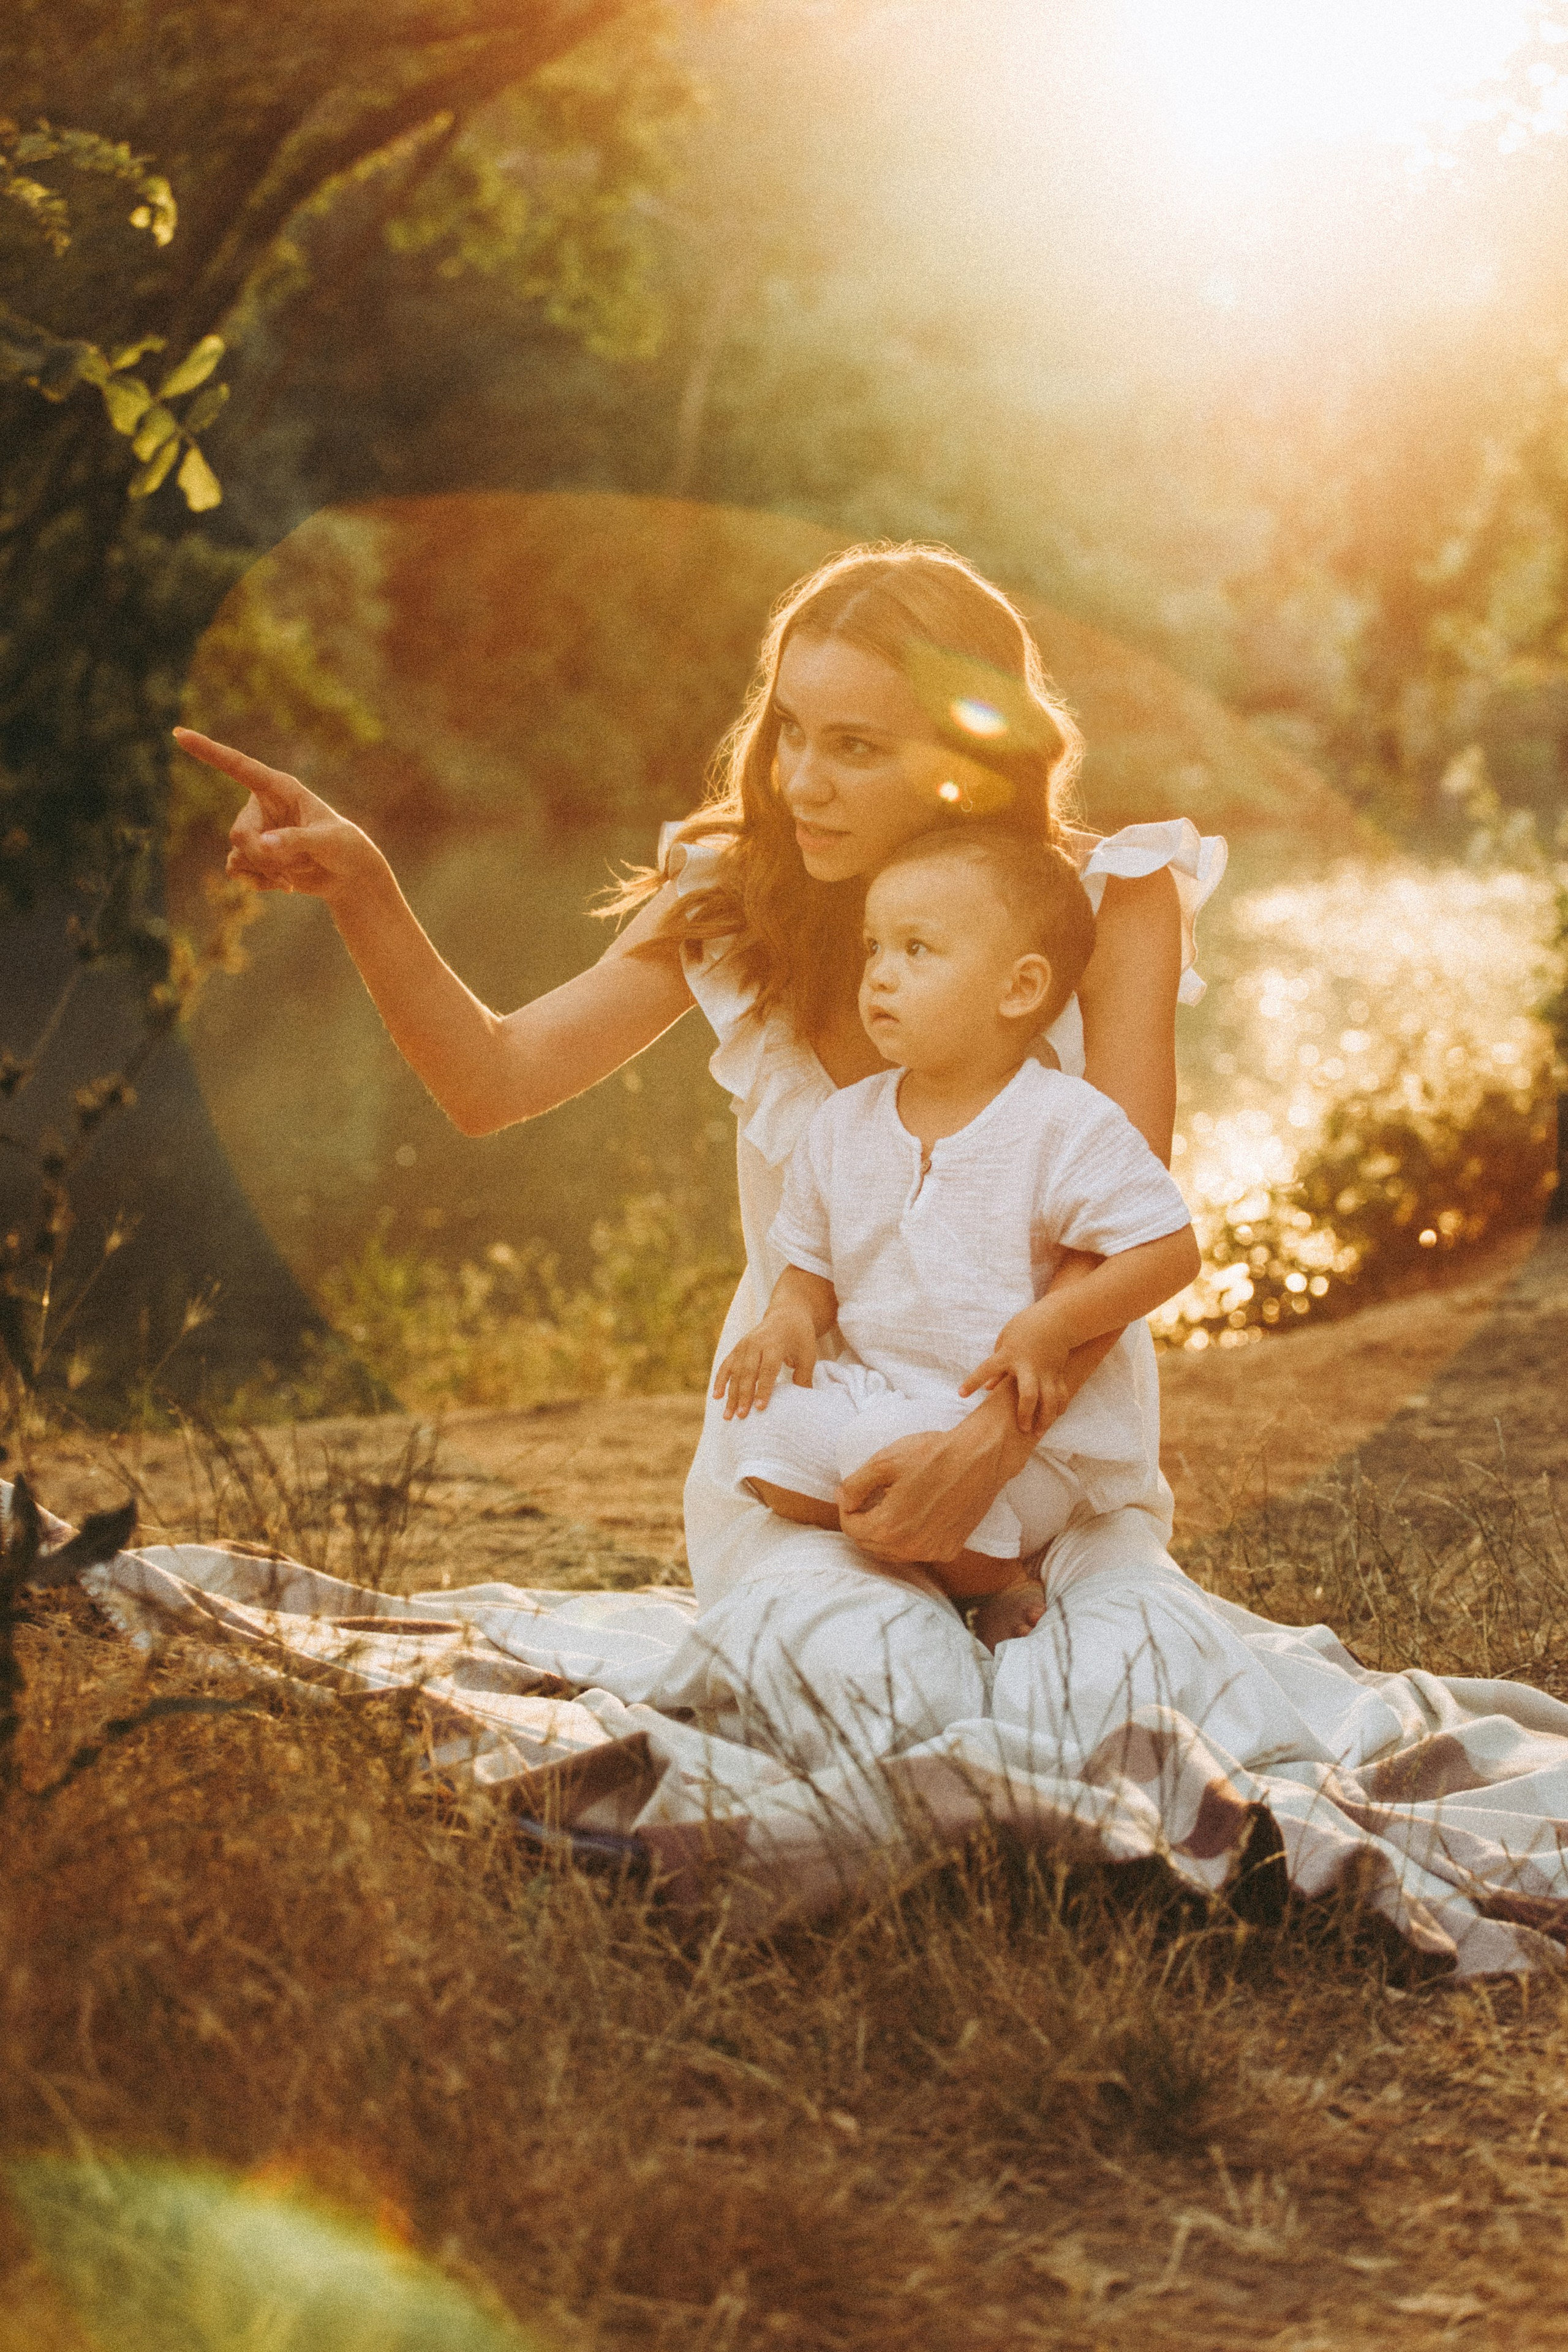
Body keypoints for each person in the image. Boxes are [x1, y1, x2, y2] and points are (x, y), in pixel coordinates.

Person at [173, 538, 1226, 1760]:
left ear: (969, 759)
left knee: (1120, 1714)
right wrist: (363, 886)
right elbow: (492, 1078)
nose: (801, 783)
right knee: (883, 1701)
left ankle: (1016, 1596)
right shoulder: (732, 898)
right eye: (790, 730)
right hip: (810, 1455)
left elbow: (1124, 1240)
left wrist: (984, 1449)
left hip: (1049, 1464)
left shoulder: (1110, 906)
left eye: (856, 746)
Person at [709, 820, 1200, 1650]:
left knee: (877, 1447)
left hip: (1022, 1444)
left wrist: (1056, 1324)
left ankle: (998, 1579)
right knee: (757, 1440)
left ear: (1018, 988)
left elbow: (1169, 1250)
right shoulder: (844, 1123)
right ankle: (913, 1540)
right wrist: (789, 1317)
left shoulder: (1062, 1121)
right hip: (885, 1397)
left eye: (917, 950)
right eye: (873, 948)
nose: (880, 977)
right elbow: (812, 1264)